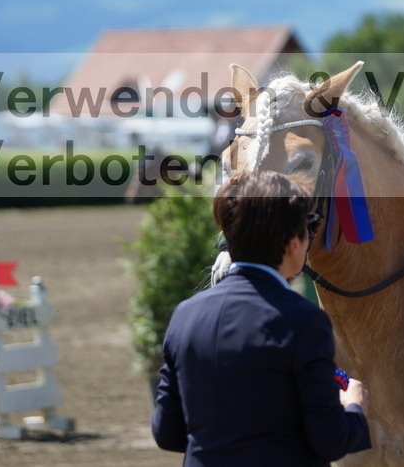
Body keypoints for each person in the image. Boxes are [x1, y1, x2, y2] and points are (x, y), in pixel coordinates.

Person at [151, 169, 372, 465]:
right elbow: (330, 441)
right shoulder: (305, 321)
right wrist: (354, 408)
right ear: (293, 244)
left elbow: (167, 432)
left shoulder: (185, 314)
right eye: (308, 227)